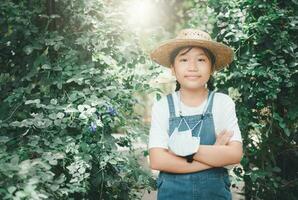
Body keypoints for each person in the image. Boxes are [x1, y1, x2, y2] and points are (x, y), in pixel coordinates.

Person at [148, 29, 243, 200]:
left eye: (201, 59)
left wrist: (178, 149)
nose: (192, 67)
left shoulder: (222, 102)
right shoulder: (163, 106)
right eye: (184, 60)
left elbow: (234, 155)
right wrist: (215, 153)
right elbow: (157, 160)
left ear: (212, 67)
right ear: (173, 68)